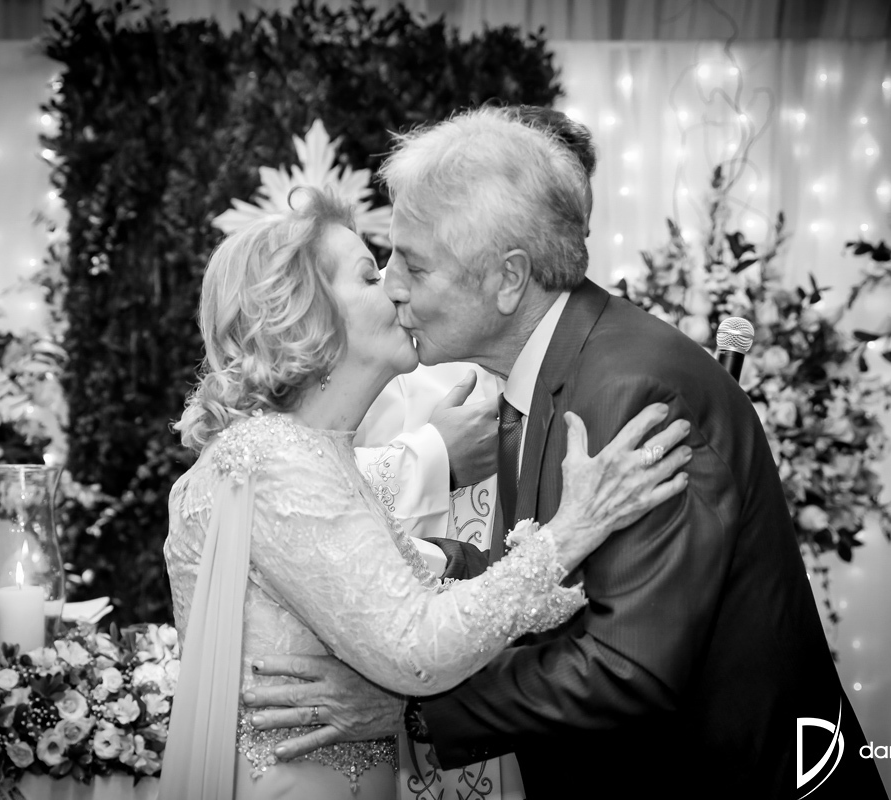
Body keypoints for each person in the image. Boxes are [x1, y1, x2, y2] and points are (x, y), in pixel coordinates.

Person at [244, 108, 890, 797]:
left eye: (415, 264)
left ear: (508, 279)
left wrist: (412, 710)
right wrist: (405, 563)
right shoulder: (548, 371)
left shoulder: (633, 392)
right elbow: (558, 579)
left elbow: (627, 666)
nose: (393, 284)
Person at [159, 187, 692, 799]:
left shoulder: (310, 454)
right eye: (369, 276)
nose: (395, 287)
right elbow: (416, 645)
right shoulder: (279, 461)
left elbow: (425, 600)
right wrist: (575, 530)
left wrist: (579, 568)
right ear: (305, 316)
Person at [353, 105, 599, 799]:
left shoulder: (588, 361)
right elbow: (313, 500)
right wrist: (435, 456)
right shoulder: (410, 349)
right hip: (431, 703)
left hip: (539, 715)